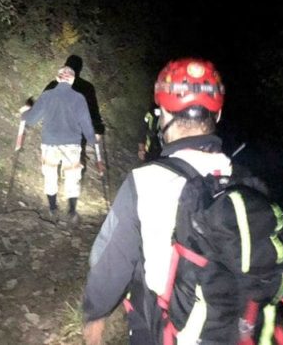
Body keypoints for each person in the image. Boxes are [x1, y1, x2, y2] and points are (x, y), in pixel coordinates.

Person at [82, 58, 227, 344]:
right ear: (218, 114)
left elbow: (110, 261)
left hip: (167, 332)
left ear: (163, 114)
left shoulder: (144, 181)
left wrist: (95, 313)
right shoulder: (243, 183)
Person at [19, 65, 100, 223]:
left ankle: (52, 209)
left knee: (50, 175)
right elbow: (86, 124)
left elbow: (31, 120)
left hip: (50, 144)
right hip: (72, 145)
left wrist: (25, 112)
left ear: (57, 78)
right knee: (72, 177)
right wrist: (93, 140)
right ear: (72, 80)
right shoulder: (79, 98)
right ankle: (72, 212)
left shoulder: (47, 95)